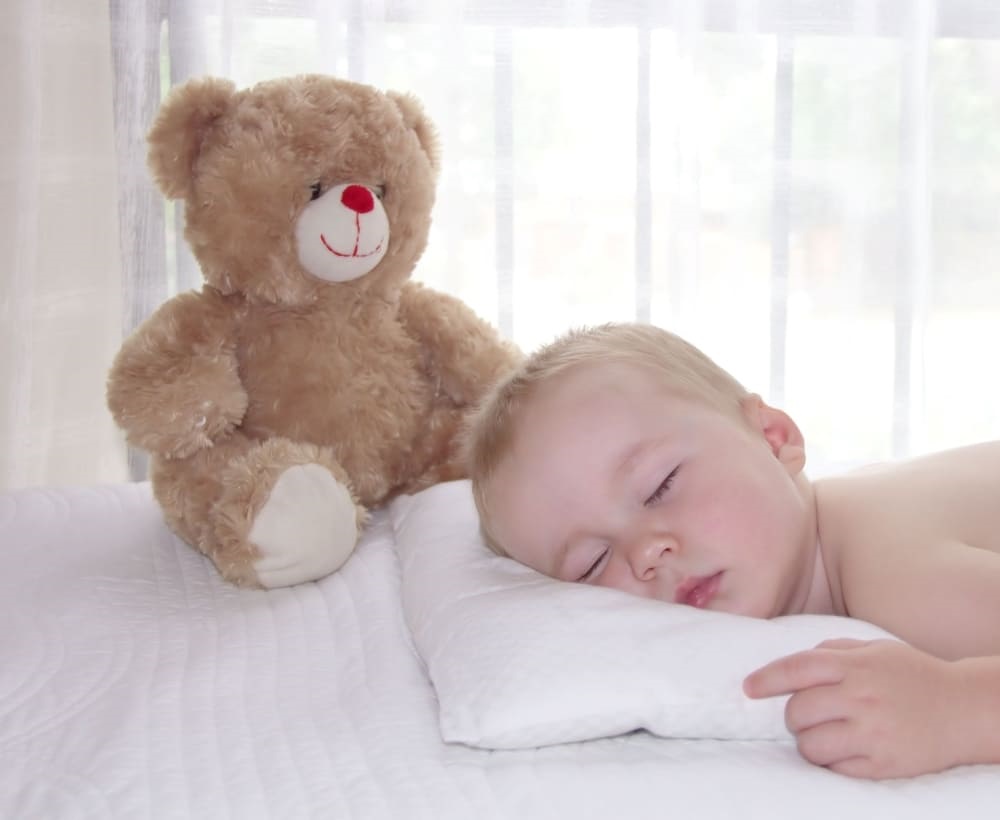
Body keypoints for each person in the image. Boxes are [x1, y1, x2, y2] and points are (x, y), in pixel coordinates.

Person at [464, 321, 1000, 780]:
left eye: (660, 486)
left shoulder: (895, 572)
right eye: (592, 564)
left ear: (773, 438)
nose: (647, 552)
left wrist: (953, 709)